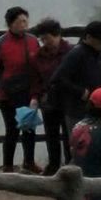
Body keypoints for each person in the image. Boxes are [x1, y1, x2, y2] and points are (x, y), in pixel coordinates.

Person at [0, 6, 41, 173]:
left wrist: (38, 92)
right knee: (12, 129)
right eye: (20, 21)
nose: (24, 24)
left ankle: (29, 162)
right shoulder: (1, 44)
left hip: (29, 91)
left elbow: (39, 67)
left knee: (29, 128)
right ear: (10, 24)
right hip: (8, 94)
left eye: (26, 20)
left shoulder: (33, 41)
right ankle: (8, 166)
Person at [51, 20, 101, 136]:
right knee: (82, 147)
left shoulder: (96, 54)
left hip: (94, 111)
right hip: (78, 112)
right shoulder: (77, 54)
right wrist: (81, 92)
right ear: (89, 37)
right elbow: (58, 79)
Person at [32, 18, 72, 175]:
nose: (45, 42)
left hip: (68, 100)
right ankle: (54, 165)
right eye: (42, 39)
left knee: (69, 134)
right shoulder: (39, 56)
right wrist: (36, 96)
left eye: (47, 38)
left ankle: (70, 165)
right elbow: (36, 79)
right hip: (48, 101)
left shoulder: (70, 52)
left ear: (57, 35)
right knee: (52, 135)